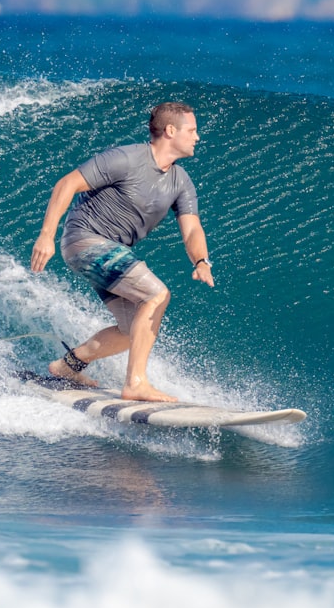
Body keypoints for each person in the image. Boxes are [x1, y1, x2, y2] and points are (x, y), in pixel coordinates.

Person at [30, 102, 214, 402]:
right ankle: (136, 383)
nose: (197, 137)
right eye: (192, 130)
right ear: (170, 131)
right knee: (156, 295)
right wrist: (46, 236)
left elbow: (192, 229)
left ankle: (68, 366)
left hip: (112, 253)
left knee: (133, 330)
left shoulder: (181, 181)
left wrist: (201, 261)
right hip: (85, 240)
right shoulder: (127, 158)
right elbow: (67, 184)